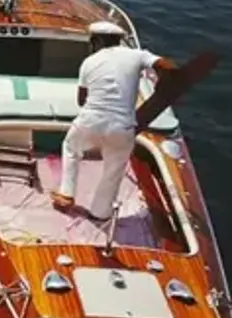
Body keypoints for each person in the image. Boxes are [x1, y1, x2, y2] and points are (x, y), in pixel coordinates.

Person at [50, 21, 177, 222]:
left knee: (71, 148)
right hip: (123, 127)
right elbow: (167, 66)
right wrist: (164, 80)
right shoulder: (137, 55)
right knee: (114, 168)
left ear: (98, 41)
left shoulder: (89, 62)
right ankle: (100, 212)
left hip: (90, 121)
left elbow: (82, 101)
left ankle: (66, 194)